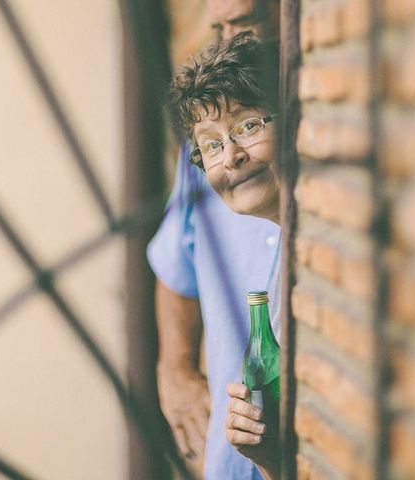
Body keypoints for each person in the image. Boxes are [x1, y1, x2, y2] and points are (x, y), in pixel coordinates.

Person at [147, 1, 280, 478]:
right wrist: (176, 371)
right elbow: (174, 269)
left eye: (242, 24)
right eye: (218, 27)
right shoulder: (205, 161)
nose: (226, 40)